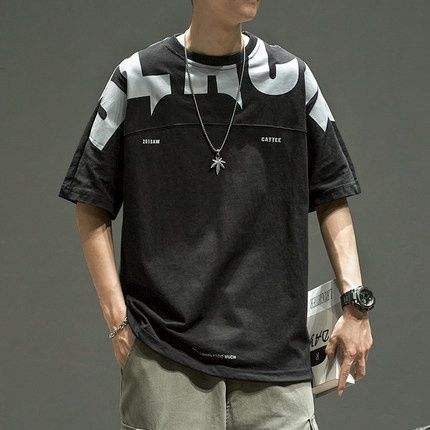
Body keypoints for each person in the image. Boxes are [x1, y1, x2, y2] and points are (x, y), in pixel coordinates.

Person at [58, 0, 375, 428]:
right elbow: (91, 200)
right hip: (166, 358)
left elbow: (332, 193)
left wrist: (355, 305)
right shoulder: (137, 78)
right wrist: (118, 323)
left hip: (275, 361)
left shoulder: (289, 78)